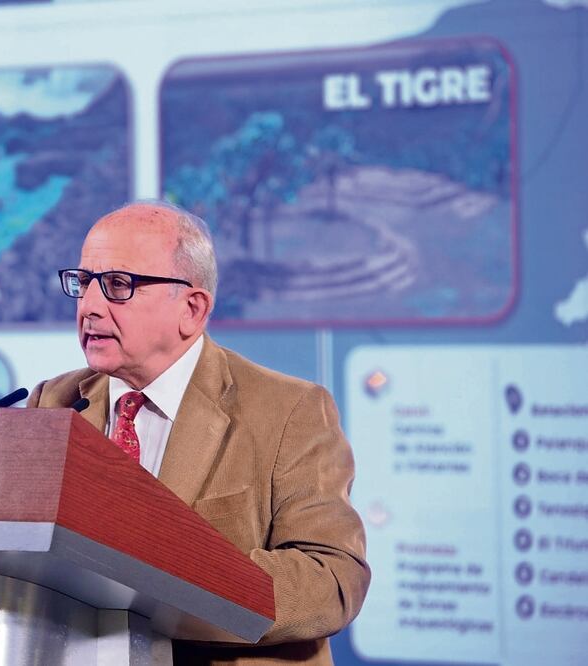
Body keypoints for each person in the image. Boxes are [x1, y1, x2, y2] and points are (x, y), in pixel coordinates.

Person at [27, 201, 370, 665]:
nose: (88, 306)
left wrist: (167, 574)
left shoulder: (291, 411)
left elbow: (331, 578)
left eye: (117, 285)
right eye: (83, 282)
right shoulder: (53, 400)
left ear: (192, 308)